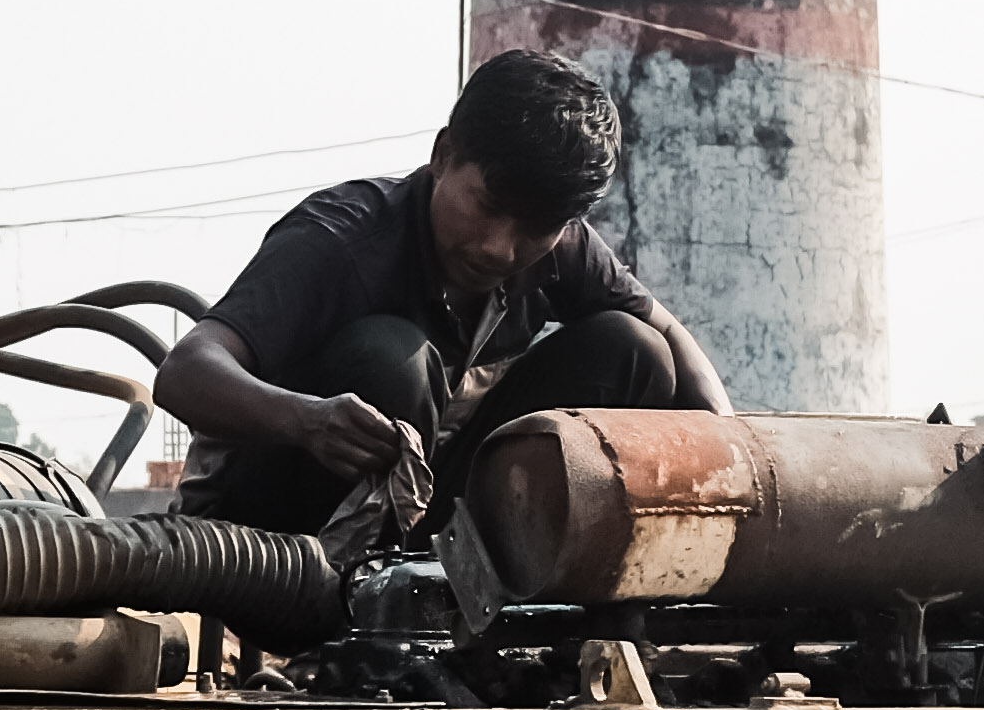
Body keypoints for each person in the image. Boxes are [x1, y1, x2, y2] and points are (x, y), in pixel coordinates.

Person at [154, 57, 731, 534]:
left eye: (536, 227)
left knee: (634, 349)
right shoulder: (342, 238)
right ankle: (360, 609)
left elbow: (670, 336)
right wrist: (307, 421)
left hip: (425, 510)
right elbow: (183, 373)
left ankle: (500, 599)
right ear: (443, 155)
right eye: (487, 207)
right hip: (271, 533)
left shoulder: (561, 248)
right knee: (390, 358)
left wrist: (736, 454)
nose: (500, 250)